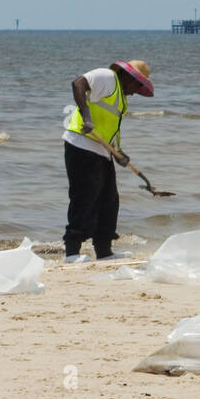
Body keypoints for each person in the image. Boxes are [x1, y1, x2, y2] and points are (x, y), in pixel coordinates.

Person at [63, 59, 154, 262]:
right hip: (81, 144)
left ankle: (104, 250)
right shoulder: (107, 77)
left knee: (109, 201)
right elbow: (78, 83)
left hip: (101, 151)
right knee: (84, 197)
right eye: (136, 85)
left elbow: (110, 129)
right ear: (127, 77)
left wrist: (119, 153)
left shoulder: (122, 99)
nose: (135, 92)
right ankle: (71, 252)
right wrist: (86, 116)